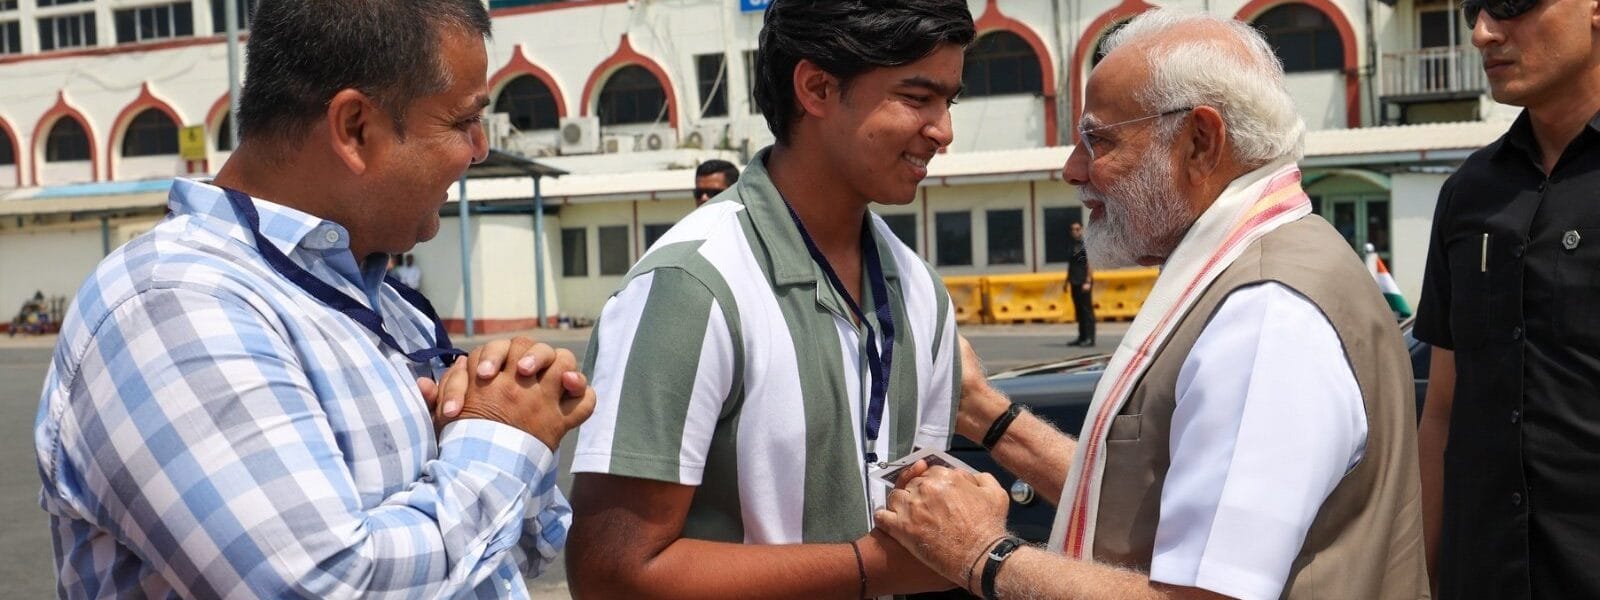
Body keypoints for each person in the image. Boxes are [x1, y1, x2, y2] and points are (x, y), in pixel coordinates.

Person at [33, 1, 595, 597]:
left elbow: (528, 543)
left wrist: (508, 393)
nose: (479, 149)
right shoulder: (171, 304)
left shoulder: (378, 303)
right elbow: (320, 586)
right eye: (461, 123)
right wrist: (503, 435)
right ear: (354, 127)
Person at [872, 11, 1428, 599]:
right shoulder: (1265, 266)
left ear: (1200, 142)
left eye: (1099, 140)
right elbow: (1157, 505)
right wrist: (986, 415)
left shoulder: (1266, 316)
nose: (1073, 170)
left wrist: (980, 554)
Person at [565, 1, 972, 597]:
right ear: (816, 87)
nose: (943, 130)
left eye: (949, 102)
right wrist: (869, 567)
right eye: (917, 98)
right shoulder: (692, 285)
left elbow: (920, 509)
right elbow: (611, 573)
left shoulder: (919, 292)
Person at [1414, 0, 1600, 595]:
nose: (1481, 33)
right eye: (1475, 8)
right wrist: (1422, 575)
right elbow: (1443, 407)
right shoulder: (1469, 194)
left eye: (1513, 3)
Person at [1067, 220, 1096, 347]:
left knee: (1086, 310)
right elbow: (1071, 264)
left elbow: (1090, 263)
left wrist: (1088, 281)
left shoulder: (1086, 244)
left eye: (1078, 229)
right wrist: (1066, 281)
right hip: (1074, 280)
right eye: (1073, 229)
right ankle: (1081, 336)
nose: (1075, 232)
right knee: (1078, 310)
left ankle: (1090, 338)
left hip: (1084, 281)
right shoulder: (1072, 245)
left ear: (1082, 230)